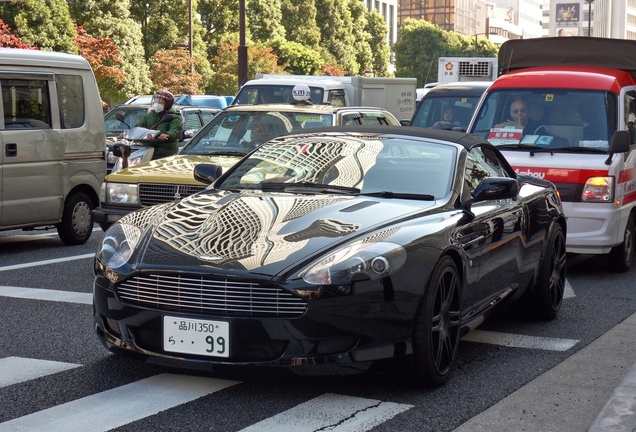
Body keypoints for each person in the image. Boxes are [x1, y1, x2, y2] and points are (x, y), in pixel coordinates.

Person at [135, 90, 182, 159]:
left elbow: (175, 130)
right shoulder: (149, 116)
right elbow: (138, 127)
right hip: (147, 150)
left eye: (161, 100)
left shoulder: (173, 117)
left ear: (167, 104)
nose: (158, 101)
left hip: (165, 153)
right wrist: (128, 133)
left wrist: (168, 134)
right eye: (157, 99)